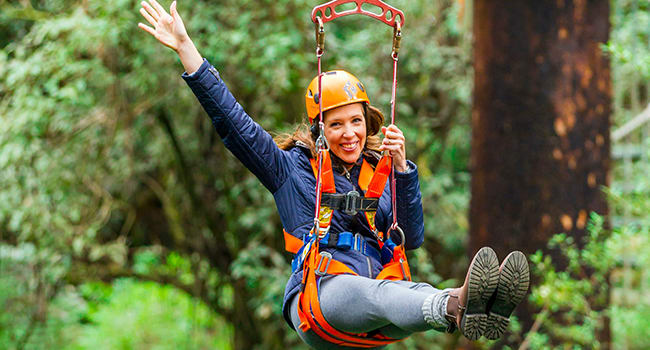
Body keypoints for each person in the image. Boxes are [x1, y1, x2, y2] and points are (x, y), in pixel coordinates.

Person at [137, 1, 530, 348]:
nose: (350, 133)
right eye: (337, 124)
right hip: (322, 299)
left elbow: (411, 239)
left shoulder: (379, 172)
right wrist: (187, 50)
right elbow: (233, 122)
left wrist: (402, 171)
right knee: (380, 295)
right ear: (318, 129)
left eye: (356, 122)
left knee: (393, 293)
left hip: (378, 299)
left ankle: (483, 307)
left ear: (368, 123)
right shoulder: (288, 169)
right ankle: (459, 304)